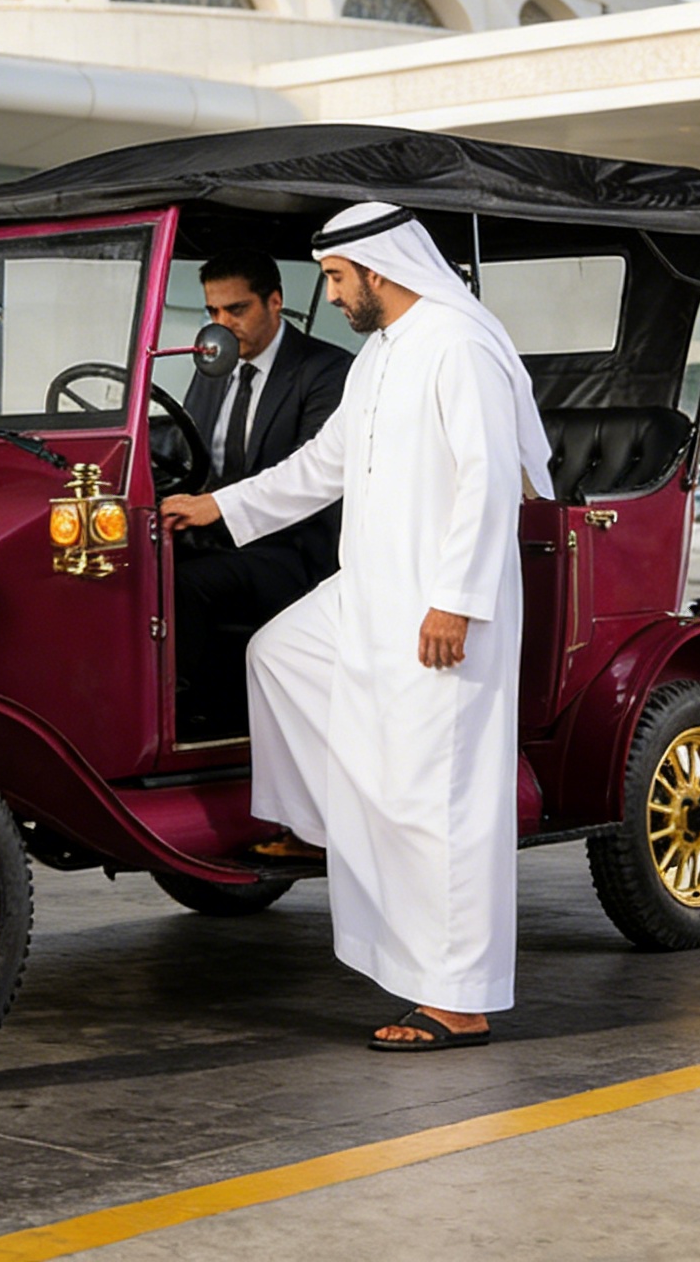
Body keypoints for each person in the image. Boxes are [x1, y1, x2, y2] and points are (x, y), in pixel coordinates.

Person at [161, 203, 549, 1053]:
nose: (329, 296)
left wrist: (458, 601)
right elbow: (322, 466)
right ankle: (324, 826)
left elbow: (490, 483)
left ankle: (458, 999)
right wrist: (217, 506)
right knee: (281, 654)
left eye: (336, 278)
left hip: (440, 599)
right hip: (370, 588)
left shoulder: (458, 343)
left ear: (378, 268)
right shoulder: (382, 355)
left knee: (437, 797)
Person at [169, 252, 350, 736]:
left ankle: (176, 715)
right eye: (212, 313)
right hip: (216, 534)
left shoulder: (328, 372)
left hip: (296, 548)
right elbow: (189, 453)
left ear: (276, 302)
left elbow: (304, 479)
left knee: (183, 584)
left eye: (237, 310)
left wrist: (213, 508)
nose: (223, 325)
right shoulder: (213, 366)